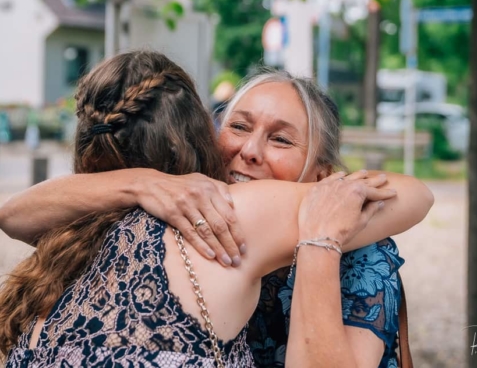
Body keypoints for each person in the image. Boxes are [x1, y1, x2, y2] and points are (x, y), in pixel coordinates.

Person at [0, 62, 434, 366]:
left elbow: (417, 194)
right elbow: (14, 214)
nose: (249, 151)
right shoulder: (183, 211)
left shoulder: (362, 257)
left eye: (281, 140)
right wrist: (143, 181)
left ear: (322, 175)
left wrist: (321, 235)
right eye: (239, 127)